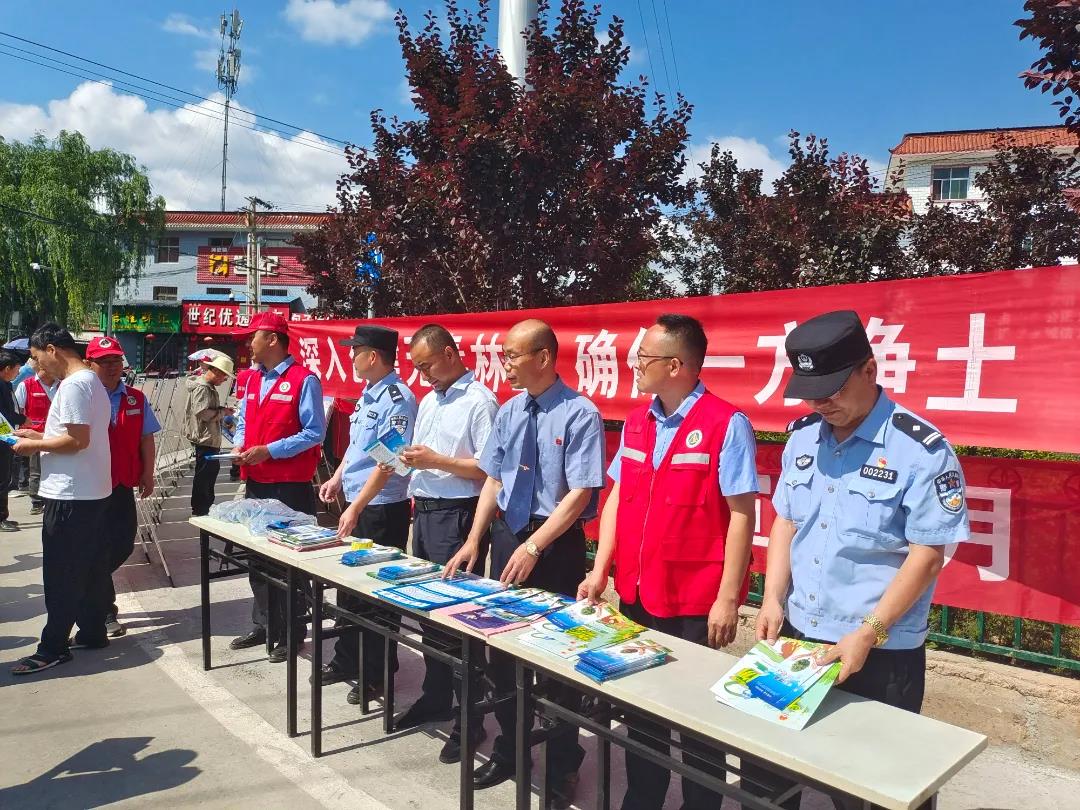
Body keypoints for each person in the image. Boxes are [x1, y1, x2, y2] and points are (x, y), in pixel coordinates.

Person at [751, 310, 970, 810]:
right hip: (801, 637)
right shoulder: (803, 436)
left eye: (832, 389)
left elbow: (927, 555)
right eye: (810, 392)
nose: (820, 403)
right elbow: (787, 521)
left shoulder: (921, 449)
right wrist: (772, 599)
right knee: (770, 775)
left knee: (872, 788)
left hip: (879, 650)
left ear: (869, 370)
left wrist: (869, 632)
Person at [578, 313, 758, 810]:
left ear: (676, 365)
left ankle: (700, 803)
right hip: (637, 592)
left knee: (697, 721)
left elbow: (742, 514)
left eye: (643, 358)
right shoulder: (638, 422)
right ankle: (643, 798)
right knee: (642, 709)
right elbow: (617, 498)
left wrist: (727, 598)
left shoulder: (725, 424)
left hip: (694, 600)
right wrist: (600, 569)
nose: (634, 365)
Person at [444, 319, 605, 806]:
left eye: (513, 355)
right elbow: (494, 479)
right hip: (507, 535)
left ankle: (562, 761)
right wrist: (475, 539)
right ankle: (511, 750)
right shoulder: (511, 410)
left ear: (543, 357)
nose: (506, 364)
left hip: (554, 543)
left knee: (556, 658)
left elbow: (580, 492)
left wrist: (535, 546)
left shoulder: (580, 413)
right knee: (502, 652)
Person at [393, 323, 497, 763]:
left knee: (456, 622)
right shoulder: (431, 400)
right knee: (427, 615)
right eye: (417, 368)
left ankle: (470, 720)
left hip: (458, 516)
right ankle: (435, 697)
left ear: (451, 354)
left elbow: (489, 469)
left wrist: (437, 460)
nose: (423, 376)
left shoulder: (480, 401)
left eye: (427, 365)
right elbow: (422, 456)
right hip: (425, 512)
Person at [317, 325, 417, 706]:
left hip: (381, 510)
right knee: (349, 588)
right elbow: (358, 447)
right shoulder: (368, 394)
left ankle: (376, 673)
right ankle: (347, 658)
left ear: (373, 356)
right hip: (358, 504)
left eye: (354, 350)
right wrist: (338, 478)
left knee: (376, 593)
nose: (350, 356)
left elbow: (389, 461)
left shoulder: (398, 399)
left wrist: (357, 506)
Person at [10, 323, 112, 675]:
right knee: (90, 569)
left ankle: (52, 648)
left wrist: (33, 445)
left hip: (70, 494)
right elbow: (77, 434)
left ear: (52, 349)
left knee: (61, 575)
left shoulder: (73, 385)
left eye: (37, 357)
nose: (37, 366)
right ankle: (93, 631)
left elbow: (77, 441)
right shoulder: (91, 382)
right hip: (91, 490)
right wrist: (39, 434)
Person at [230, 311, 326, 663]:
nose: (248, 344)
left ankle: (292, 632)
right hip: (257, 482)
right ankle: (265, 623)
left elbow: (314, 432)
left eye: (252, 337)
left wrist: (270, 450)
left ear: (272, 339)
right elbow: (243, 419)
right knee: (258, 558)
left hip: (290, 487)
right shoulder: (251, 378)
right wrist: (240, 444)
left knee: (289, 562)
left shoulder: (304, 380)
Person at [86, 336, 162, 638]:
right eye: (104, 361)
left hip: (122, 483)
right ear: (90, 364)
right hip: (91, 485)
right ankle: (105, 611)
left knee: (122, 544)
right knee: (97, 547)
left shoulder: (136, 398)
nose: (112, 367)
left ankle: (89, 582)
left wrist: (148, 473)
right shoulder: (83, 396)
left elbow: (146, 438)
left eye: (116, 360)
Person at [182, 354, 235, 516]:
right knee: (205, 477)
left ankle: (204, 507)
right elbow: (203, 412)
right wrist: (222, 413)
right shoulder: (203, 388)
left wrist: (221, 410)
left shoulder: (207, 387)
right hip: (205, 439)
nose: (225, 380)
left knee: (208, 475)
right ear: (217, 372)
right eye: (225, 376)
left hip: (208, 438)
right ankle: (201, 509)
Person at [15, 359, 59, 516]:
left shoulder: (62, 385)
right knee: (36, 469)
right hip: (34, 435)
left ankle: (53, 499)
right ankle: (36, 501)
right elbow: (18, 410)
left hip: (57, 434)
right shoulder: (26, 385)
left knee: (57, 467)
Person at [0, 350, 27, 531]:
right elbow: (4, 413)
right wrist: (22, 419)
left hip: (5, 436)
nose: (18, 373)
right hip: (3, 437)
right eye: (17, 370)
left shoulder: (6, 384)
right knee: (2, 479)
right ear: (7, 368)